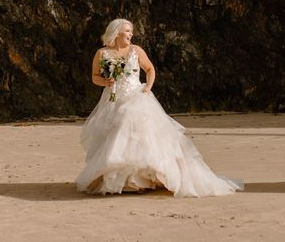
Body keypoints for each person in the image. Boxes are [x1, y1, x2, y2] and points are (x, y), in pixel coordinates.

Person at [75, 18, 243, 197]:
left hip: (136, 97)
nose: (131, 34)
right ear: (116, 33)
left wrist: (147, 87)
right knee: (114, 136)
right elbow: (94, 76)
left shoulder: (136, 51)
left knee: (136, 135)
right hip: (113, 99)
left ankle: (142, 179)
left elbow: (150, 69)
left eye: (131, 31)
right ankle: (124, 181)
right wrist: (105, 81)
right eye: (127, 31)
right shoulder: (102, 53)